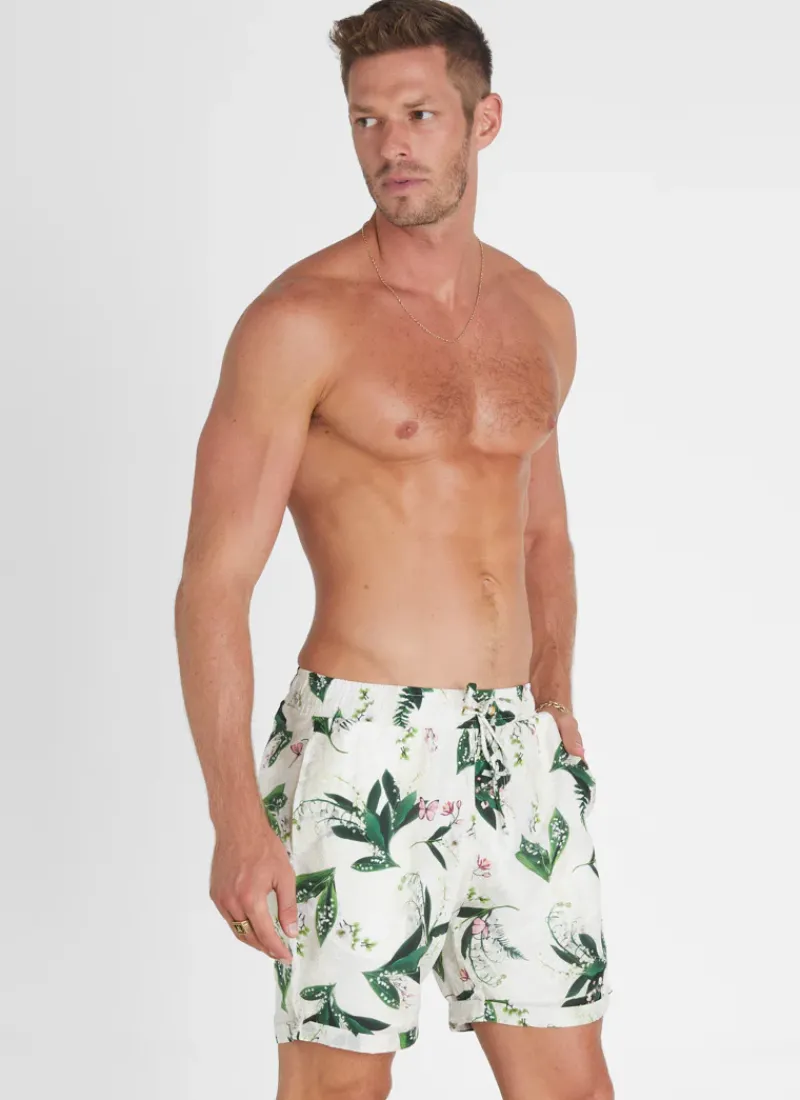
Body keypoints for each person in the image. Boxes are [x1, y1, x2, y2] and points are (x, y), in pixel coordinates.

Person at [174, 2, 615, 1097]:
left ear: (483, 120)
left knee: (569, 1081)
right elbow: (213, 585)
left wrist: (554, 684)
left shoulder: (540, 315)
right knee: (339, 1085)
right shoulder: (299, 321)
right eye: (366, 121)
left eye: (419, 115)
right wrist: (237, 817)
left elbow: (544, 529)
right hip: (361, 744)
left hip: (512, 746)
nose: (391, 146)